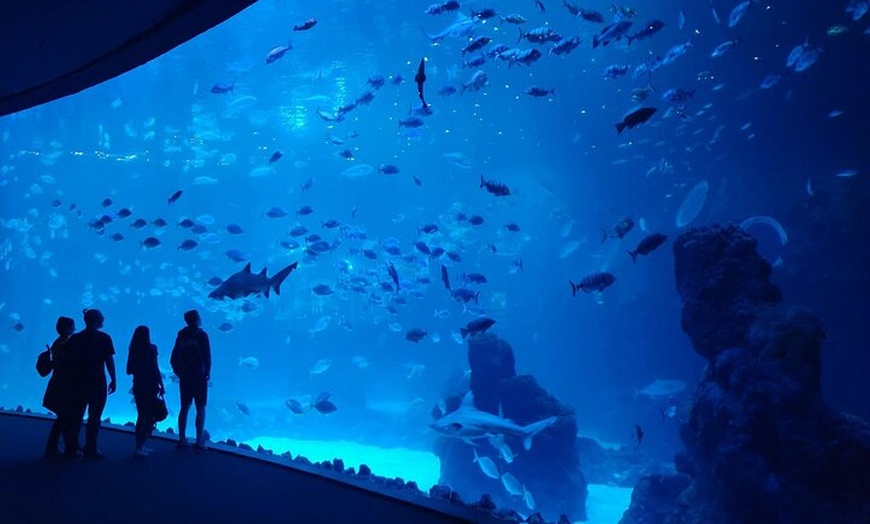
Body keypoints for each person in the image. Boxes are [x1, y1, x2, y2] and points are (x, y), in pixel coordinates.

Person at [69, 308, 117, 460]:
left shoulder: (75, 338)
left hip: (78, 380)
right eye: (102, 317)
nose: (104, 319)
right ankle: (91, 448)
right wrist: (113, 378)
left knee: (76, 415)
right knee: (94, 416)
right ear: (97, 320)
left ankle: (72, 447)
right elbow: (109, 360)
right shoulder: (104, 338)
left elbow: (69, 360)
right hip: (97, 381)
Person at [170, 309, 211, 450]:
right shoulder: (202, 335)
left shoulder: (182, 335)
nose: (201, 318)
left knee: (184, 407)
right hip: (199, 377)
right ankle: (199, 441)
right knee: (200, 407)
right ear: (196, 319)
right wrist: (207, 372)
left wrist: (180, 372)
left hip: (185, 377)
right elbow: (207, 355)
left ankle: (181, 439)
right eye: (199, 316)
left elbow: (173, 357)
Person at [42, 316, 80, 458]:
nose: (75, 329)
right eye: (73, 326)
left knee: (63, 417)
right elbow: (67, 363)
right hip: (63, 385)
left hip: (59, 382)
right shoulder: (64, 344)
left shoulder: (58, 342)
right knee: (64, 417)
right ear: (66, 328)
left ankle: (58, 446)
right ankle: (61, 448)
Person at [126, 325, 165, 458]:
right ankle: (140, 446)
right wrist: (162, 384)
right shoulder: (152, 348)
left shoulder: (133, 349)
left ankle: (139, 446)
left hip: (138, 386)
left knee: (141, 415)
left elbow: (128, 370)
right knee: (148, 417)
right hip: (151, 386)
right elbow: (155, 368)